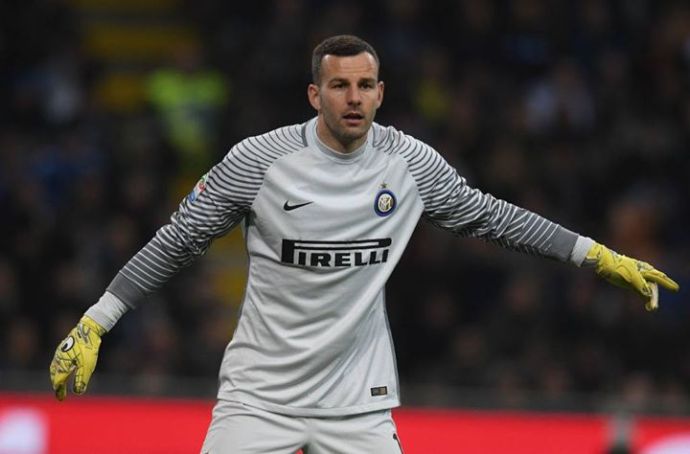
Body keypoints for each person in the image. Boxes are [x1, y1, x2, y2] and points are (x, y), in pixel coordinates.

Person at [49, 35, 679, 453]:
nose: (353, 98)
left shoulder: (409, 165)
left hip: (358, 404)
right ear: (314, 94)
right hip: (259, 397)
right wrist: (96, 321)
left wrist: (595, 255)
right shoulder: (258, 162)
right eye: (340, 86)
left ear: (381, 92)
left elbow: (493, 218)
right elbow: (177, 241)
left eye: (365, 85)